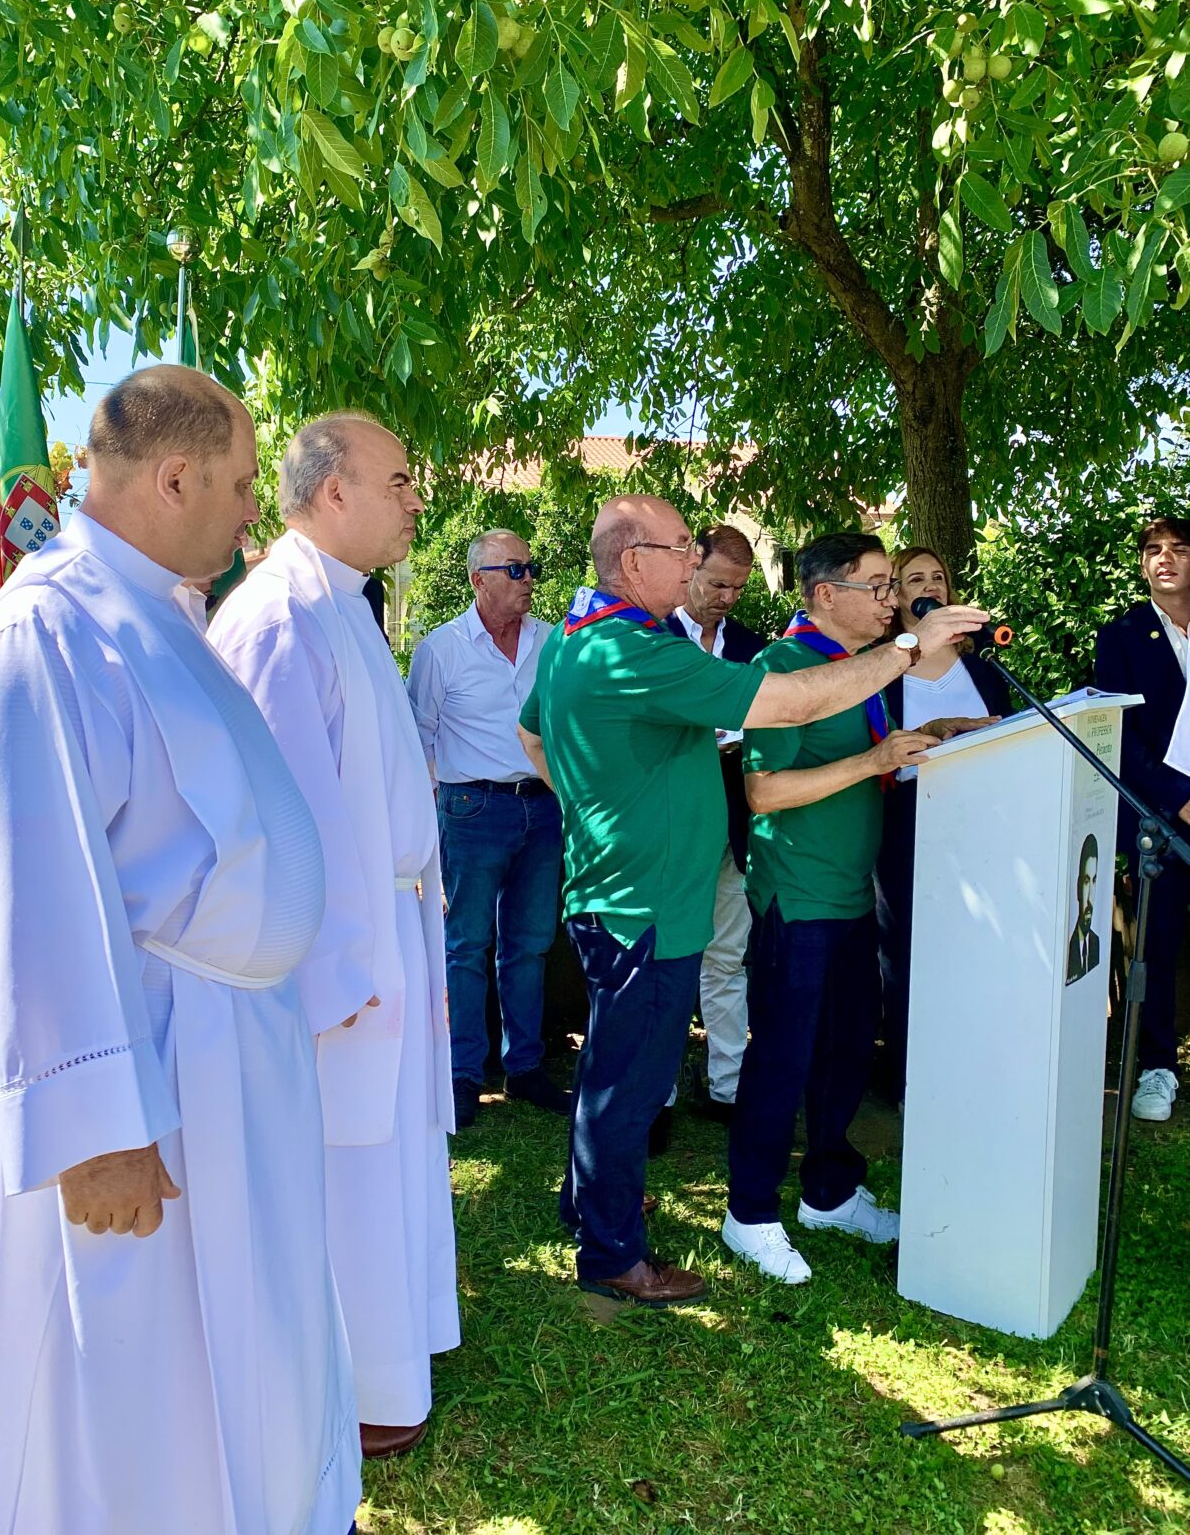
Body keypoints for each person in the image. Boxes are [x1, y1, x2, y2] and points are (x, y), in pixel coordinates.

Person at [0, 366, 361, 1535]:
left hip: (232, 1046)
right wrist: (94, 1130)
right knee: (142, 1376)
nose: (254, 511)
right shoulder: (43, 633)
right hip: (149, 1082)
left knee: (253, 1339)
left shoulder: (160, 612)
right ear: (173, 477)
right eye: (239, 483)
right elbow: (37, 897)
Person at [518, 499, 987, 1307]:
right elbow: (791, 707)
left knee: (615, 1068)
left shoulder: (577, 637)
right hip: (647, 902)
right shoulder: (631, 648)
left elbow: (532, 733)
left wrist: (598, 811)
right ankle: (613, 1254)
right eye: (680, 547)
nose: (694, 561)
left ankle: (593, 1203)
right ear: (633, 562)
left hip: (630, 889)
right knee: (632, 1080)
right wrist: (912, 646)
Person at [209, 412, 458, 1461]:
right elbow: (286, 821)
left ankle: (399, 1346)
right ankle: (348, 1384)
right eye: (397, 480)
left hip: (389, 918)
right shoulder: (280, 615)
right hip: (338, 948)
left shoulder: (342, 601)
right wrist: (335, 973)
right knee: (342, 1160)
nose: (415, 499)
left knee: (390, 1150)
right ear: (331, 491)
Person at [724, 532, 991, 1286]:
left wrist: (932, 736)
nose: (889, 600)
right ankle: (749, 1211)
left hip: (851, 892)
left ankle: (831, 1193)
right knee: (784, 1055)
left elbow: (867, 752)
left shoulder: (863, 667)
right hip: (799, 894)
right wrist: (873, 760)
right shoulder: (782, 668)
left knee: (846, 1050)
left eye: (889, 586)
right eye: (875, 586)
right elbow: (764, 792)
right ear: (823, 594)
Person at [407, 530, 567, 1128]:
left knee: (530, 943)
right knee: (467, 945)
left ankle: (524, 1068)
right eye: (515, 569)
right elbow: (418, 737)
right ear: (479, 580)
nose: (529, 579)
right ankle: (463, 1074)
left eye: (530, 567)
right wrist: (435, 811)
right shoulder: (441, 649)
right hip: (471, 809)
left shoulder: (552, 642)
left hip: (542, 807)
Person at [874, 545, 1013, 1098]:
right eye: (914, 579)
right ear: (896, 595)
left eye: (937, 576)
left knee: (976, 945)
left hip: (981, 819)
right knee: (906, 949)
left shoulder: (983, 663)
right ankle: (908, 1076)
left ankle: (973, 1068)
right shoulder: (881, 666)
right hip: (907, 822)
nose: (929, 585)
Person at [664, 524, 767, 1122]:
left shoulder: (752, 648)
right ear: (691, 564)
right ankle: (659, 1094)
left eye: (739, 588)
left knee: (726, 959)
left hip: (732, 826)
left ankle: (728, 1087)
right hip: (669, 831)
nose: (727, 597)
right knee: (666, 961)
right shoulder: (651, 636)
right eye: (718, 584)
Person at [1096, 517, 1190, 1120]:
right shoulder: (1123, 636)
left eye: (1179, 548)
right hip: (1162, 818)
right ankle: (1158, 1067)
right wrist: (1179, 799)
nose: (1165, 558)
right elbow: (1120, 736)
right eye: (1154, 550)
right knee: (1156, 943)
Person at [1066, 833, 1102, 983]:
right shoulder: (1067, 948)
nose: (1090, 897)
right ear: (1078, 887)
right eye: (1086, 882)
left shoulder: (1096, 942)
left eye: (1094, 881)